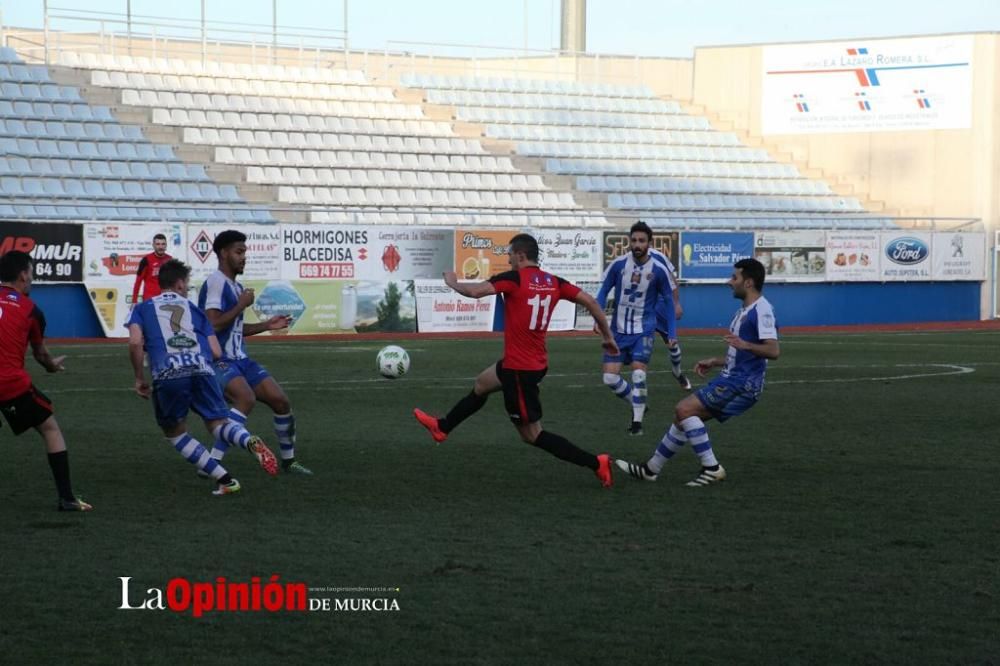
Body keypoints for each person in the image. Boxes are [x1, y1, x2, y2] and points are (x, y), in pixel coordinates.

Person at [413, 233, 620, 488]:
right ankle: (442, 427)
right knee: (481, 384)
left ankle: (596, 463)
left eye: (510, 254)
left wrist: (453, 283)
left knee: (533, 435)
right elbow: (589, 301)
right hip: (530, 363)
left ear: (521, 256)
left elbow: (476, 292)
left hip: (519, 370)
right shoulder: (553, 281)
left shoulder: (514, 279)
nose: (508, 259)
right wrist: (607, 336)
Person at [616, 258, 779, 486]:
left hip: (742, 384)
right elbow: (745, 354)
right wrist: (716, 361)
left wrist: (746, 345)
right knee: (683, 418)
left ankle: (711, 467)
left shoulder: (762, 311)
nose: (729, 282)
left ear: (749, 282)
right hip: (732, 377)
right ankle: (651, 469)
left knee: (684, 409)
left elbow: (773, 350)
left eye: (735, 277)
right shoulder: (746, 310)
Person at [127, 259, 280, 496]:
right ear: (179, 284)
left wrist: (139, 377)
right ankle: (247, 440)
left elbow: (135, 342)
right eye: (187, 283)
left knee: (176, 433)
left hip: (169, 373)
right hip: (202, 369)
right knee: (218, 424)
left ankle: (226, 480)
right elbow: (216, 351)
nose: (186, 288)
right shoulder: (194, 310)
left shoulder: (142, 308)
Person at [197, 230, 312, 475]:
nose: (244, 257)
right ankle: (211, 463)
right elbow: (213, 323)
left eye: (245, 252)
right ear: (223, 253)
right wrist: (241, 304)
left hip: (241, 360)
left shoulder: (236, 286)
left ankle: (289, 461)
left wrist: (267, 325)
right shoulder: (216, 282)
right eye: (239, 252)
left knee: (280, 401)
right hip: (218, 359)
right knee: (245, 399)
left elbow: (234, 328)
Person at [0, 251, 92, 511]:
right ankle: (67, 498)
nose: (32, 277)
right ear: (23, 275)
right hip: (10, 385)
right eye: (31, 272)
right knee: (50, 429)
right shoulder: (31, 311)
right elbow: (40, 354)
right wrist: (52, 366)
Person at [596, 221, 675, 436]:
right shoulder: (619, 264)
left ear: (650, 243)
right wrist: (598, 316)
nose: (637, 244)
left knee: (638, 374)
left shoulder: (658, 270)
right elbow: (603, 291)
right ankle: (638, 403)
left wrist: (672, 334)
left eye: (641, 241)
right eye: (633, 240)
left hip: (644, 330)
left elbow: (669, 302)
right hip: (618, 330)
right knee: (610, 379)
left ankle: (637, 423)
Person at [650, 246, 692, 390]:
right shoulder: (628, 260)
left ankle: (677, 372)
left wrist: (676, 303)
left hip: (660, 305)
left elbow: (672, 281)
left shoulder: (658, 256)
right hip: (641, 307)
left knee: (672, 344)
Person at [131, 233, 172, 306]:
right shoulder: (146, 260)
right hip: (150, 301)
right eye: (158, 244)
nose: (160, 247)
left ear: (166, 245)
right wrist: (134, 301)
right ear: (153, 245)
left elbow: (173, 281)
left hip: (165, 300)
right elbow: (138, 282)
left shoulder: (170, 260)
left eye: (163, 244)